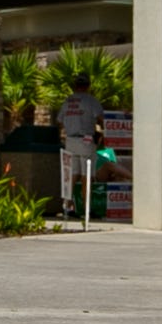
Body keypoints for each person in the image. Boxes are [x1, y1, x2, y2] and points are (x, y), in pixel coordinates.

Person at [57, 74, 104, 218]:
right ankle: (86, 209)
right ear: (88, 86)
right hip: (86, 140)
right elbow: (101, 119)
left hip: (70, 140)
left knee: (72, 174)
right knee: (86, 175)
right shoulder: (91, 101)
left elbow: (59, 121)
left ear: (75, 85)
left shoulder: (68, 101)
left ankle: (67, 206)